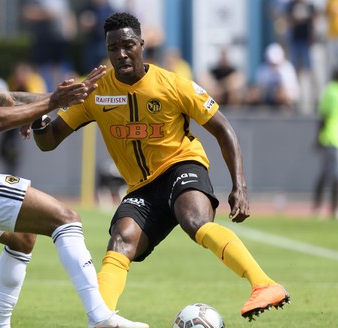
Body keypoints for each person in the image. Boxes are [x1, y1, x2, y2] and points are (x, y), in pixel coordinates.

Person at [32, 12, 290, 321]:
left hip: (182, 165)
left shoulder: (173, 84)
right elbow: (49, 141)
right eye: (113, 48)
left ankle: (264, 284)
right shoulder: (96, 92)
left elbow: (224, 130)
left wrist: (240, 186)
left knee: (193, 220)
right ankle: (100, 320)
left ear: (141, 44)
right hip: (142, 187)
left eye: (128, 45)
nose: (121, 54)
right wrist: (38, 117)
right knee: (121, 241)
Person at [0, 1, 147, 327]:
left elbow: (7, 99)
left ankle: (0, 325)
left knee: (23, 237)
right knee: (66, 218)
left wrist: (64, 93)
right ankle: (100, 316)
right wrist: (54, 102)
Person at [312, 67, 338, 221]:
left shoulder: (331, 91)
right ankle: (335, 208)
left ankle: (317, 207)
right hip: (337, 139)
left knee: (325, 174)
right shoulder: (336, 92)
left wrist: (318, 138)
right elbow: (325, 115)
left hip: (329, 138)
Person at [246, 42, 300, 111]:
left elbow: (290, 93)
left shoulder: (288, 69)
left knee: (281, 93)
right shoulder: (263, 69)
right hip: (267, 98)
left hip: (286, 100)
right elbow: (259, 89)